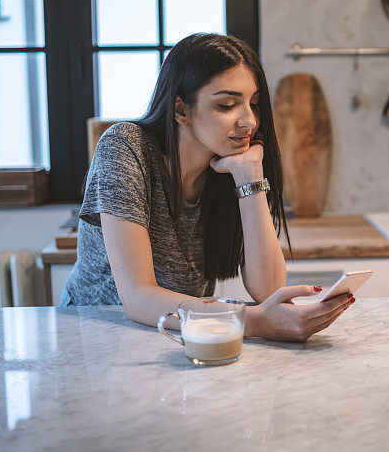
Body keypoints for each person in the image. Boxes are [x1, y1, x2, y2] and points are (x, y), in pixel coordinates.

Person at [60, 33, 354, 342]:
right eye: (227, 105)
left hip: (181, 336)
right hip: (96, 335)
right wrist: (250, 321)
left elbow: (269, 288)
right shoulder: (125, 147)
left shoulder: (229, 164)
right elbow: (137, 297)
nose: (249, 121)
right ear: (181, 110)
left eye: (253, 104)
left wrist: (248, 174)